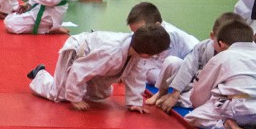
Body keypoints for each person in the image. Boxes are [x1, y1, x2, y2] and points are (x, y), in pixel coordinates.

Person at [28, 25, 172, 111]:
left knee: (100, 95)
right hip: (77, 51)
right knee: (59, 95)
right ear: (146, 54)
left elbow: (136, 76)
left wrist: (134, 103)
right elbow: (80, 68)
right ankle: (40, 74)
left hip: (94, 59)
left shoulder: (136, 51)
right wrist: (74, 98)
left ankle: (72, 88)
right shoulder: (111, 52)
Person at [182, 18, 256, 129]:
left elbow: (199, 95)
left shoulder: (222, 57)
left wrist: (202, 105)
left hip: (237, 110)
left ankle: (226, 125)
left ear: (221, 44)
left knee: (192, 117)